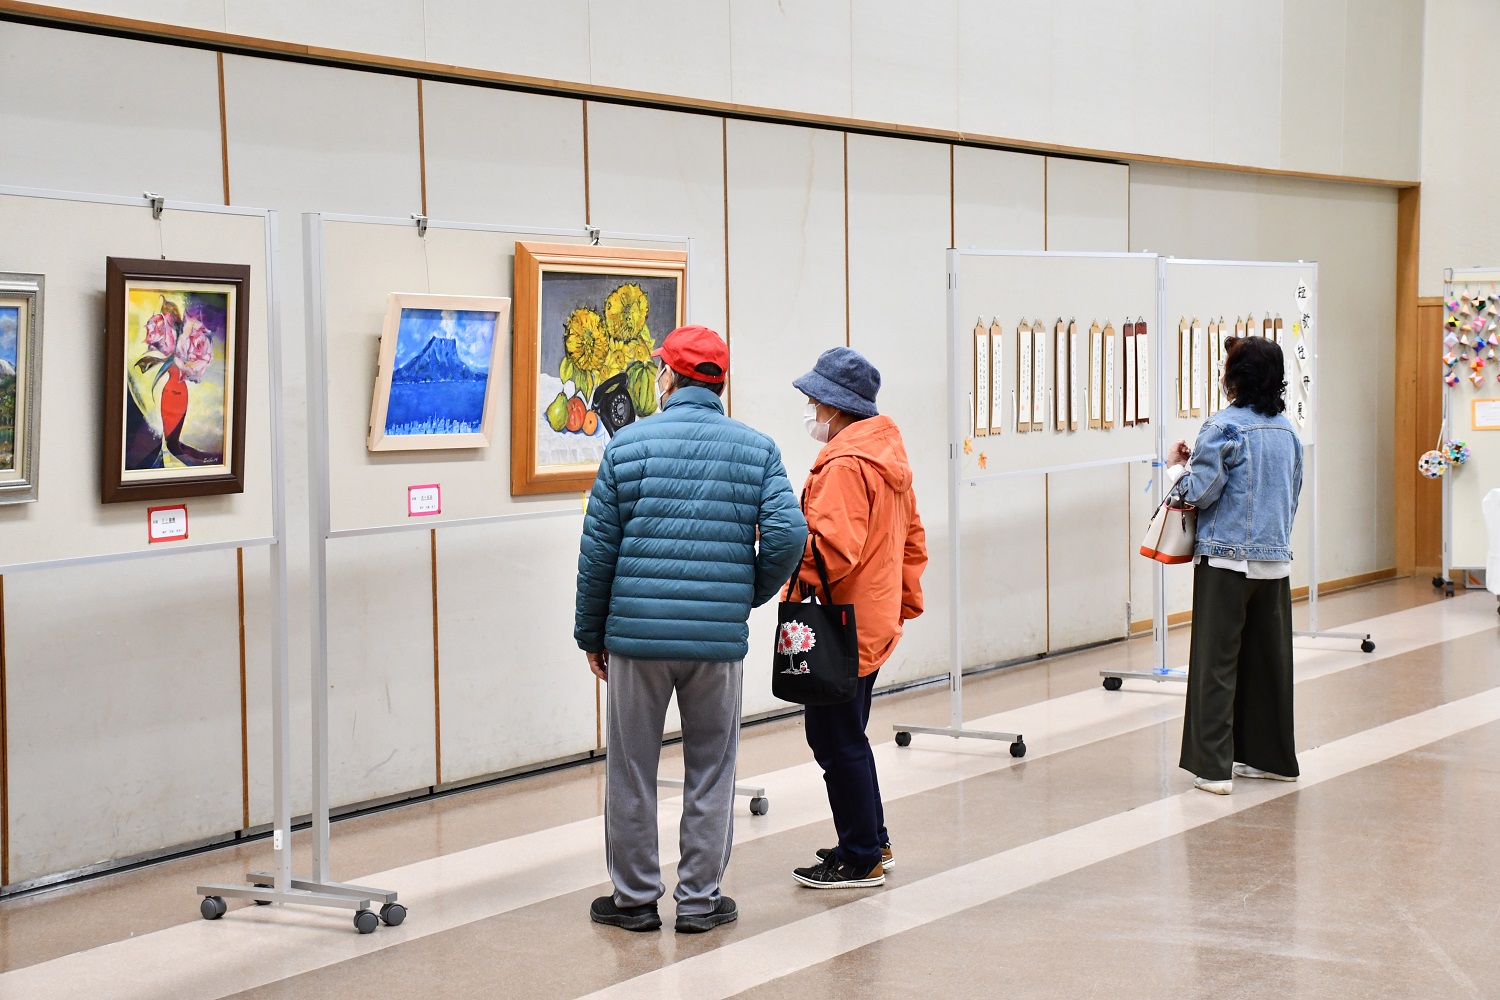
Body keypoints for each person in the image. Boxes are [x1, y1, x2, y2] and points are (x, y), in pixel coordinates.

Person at [575, 324, 808, 933]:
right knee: (712, 768)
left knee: (632, 770)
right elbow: (789, 534)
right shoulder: (757, 449)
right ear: (720, 383)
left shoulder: (627, 447)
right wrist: (745, 594)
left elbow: (598, 554)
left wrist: (590, 635)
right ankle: (699, 903)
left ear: (668, 378)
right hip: (715, 644)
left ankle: (634, 901)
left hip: (637, 640)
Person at [785, 347, 927, 889]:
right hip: (871, 620)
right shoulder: (886, 458)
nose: (811, 411)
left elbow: (830, 552)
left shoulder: (845, 464)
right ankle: (872, 839)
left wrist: (783, 560)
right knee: (849, 734)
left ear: (835, 406)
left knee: (834, 738)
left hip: (838, 625)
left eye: (814, 401)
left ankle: (860, 856)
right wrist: (900, 605)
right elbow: (913, 542)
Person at [1167, 336, 1304, 795]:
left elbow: (1200, 494)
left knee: (1216, 664)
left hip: (1225, 565)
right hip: (1275, 564)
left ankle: (1213, 769)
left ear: (1235, 377)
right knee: (1268, 664)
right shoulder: (1288, 432)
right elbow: (1291, 496)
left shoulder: (1223, 427)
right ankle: (1272, 759)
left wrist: (1176, 470)